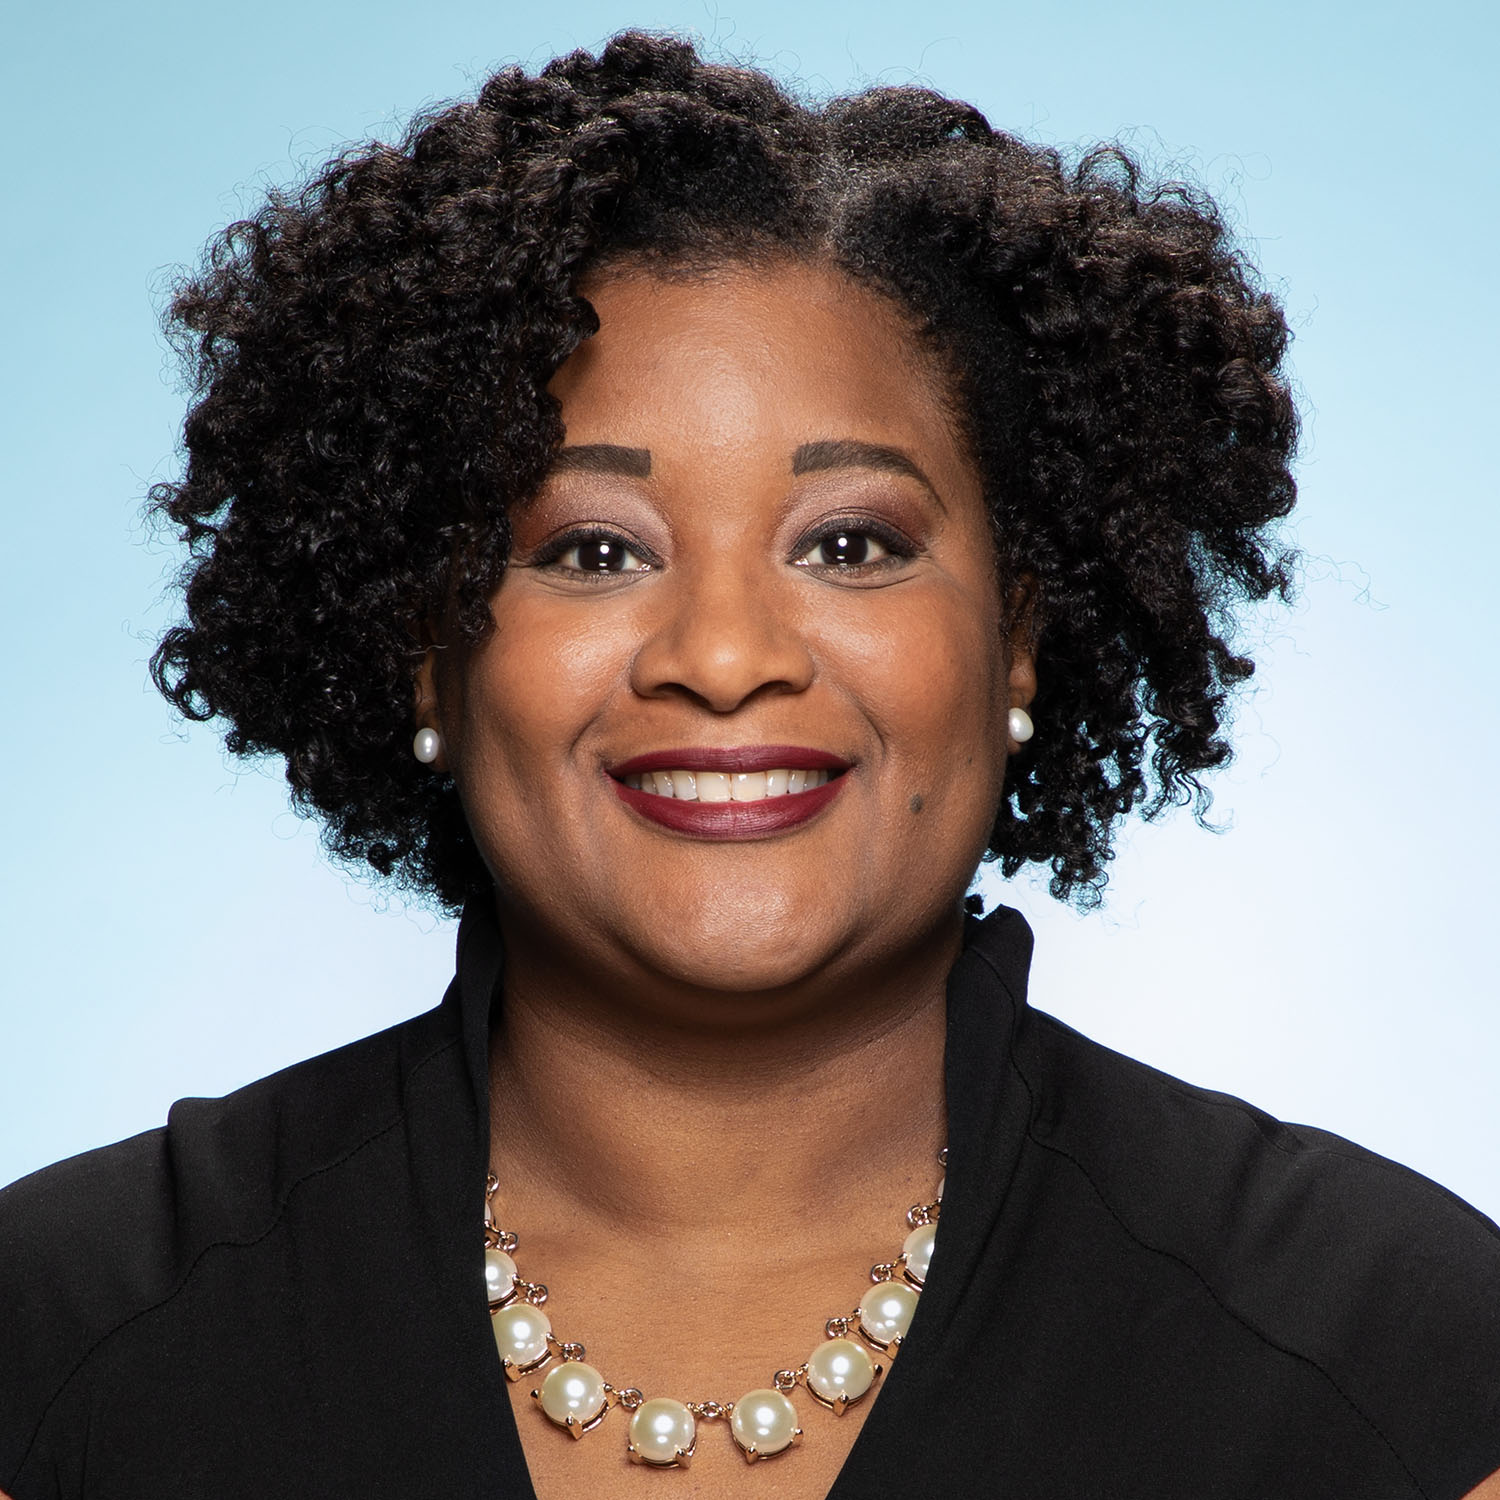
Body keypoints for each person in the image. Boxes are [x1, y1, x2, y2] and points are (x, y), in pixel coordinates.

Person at [2, 29, 1497, 1500]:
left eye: (851, 545)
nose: (723, 657)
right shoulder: (65, 1346)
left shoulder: (1394, 1366)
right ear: (425, 648)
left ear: (1020, 636)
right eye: (592, 551)